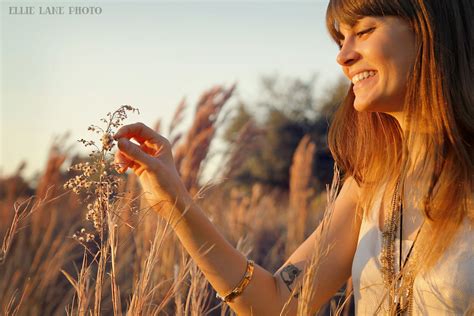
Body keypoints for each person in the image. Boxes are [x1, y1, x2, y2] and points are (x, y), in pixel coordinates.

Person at [114, 0, 473, 314]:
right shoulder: (369, 183)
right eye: (340, 39)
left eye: (364, 30)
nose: (343, 55)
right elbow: (277, 304)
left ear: (430, 28)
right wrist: (175, 202)